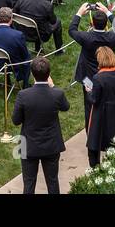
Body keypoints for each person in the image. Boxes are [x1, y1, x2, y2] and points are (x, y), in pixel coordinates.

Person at [12, 55, 69, 194]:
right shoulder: (57, 94)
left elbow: (16, 120)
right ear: (49, 74)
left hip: (28, 145)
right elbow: (65, 107)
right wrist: (53, 86)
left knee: (29, 183)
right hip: (51, 144)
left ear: (32, 74)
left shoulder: (23, 95)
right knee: (53, 181)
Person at [84, 48, 115, 167]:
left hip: (102, 118)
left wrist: (89, 91)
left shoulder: (98, 78)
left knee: (94, 145)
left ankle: (95, 170)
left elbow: (94, 99)